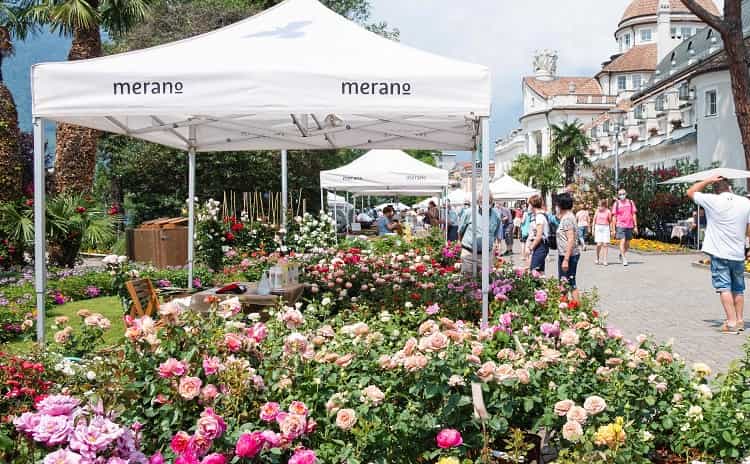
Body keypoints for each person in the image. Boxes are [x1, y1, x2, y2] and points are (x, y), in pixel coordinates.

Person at [688, 176, 750, 334]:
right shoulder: (745, 202)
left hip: (720, 252)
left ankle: (730, 323)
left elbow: (691, 191)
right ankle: (740, 320)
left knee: (724, 287)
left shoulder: (712, 200)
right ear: (730, 187)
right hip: (738, 252)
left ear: (716, 190)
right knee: (738, 289)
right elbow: (748, 228)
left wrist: (708, 179)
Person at [459, 193, 501, 276]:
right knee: (467, 281)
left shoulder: (496, 215)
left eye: (488, 202)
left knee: (486, 281)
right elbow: (460, 231)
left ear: (491, 202)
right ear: (478, 202)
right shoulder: (469, 213)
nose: (485, 204)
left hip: (486, 255)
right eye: (482, 201)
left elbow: (495, 233)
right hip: (469, 253)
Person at [556, 193, 581, 300]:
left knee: (569, 282)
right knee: (566, 282)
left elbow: (570, 239)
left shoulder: (567, 219)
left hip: (568, 255)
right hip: (568, 254)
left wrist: (566, 259)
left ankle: (572, 307)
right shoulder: (569, 216)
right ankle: (565, 307)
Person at [611, 189, 638, 266]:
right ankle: (624, 258)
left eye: (623, 194)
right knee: (622, 241)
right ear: (618, 195)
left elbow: (634, 214)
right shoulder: (616, 204)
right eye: (620, 194)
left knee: (627, 244)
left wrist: (635, 226)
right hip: (620, 225)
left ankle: (621, 254)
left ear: (626, 194)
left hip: (629, 225)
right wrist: (613, 229)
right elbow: (614, 217)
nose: (622, 195)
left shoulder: (630, 202)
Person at [527, 194, 550, 273]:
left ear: (533, 205)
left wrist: (530, 248)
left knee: (534, 271)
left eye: (529, 204)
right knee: (540, 271)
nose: (528, 207)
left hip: (540, 245)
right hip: (541, 245)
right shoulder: (541, 215)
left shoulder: (539, 217)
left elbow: (539, 235)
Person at [593, 199, 613, 265]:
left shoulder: (608, 212)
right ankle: (597, 257)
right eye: (598, 206)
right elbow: (594, 220)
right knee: (599, 244)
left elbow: (610, 221)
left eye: (600, 206)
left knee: (605, 244)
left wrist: (612, 230)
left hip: (605, 227)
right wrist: (593, 229)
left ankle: (605, 260)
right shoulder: (597, 211)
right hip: (598, 227)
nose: (599, 207)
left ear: (604, 206)